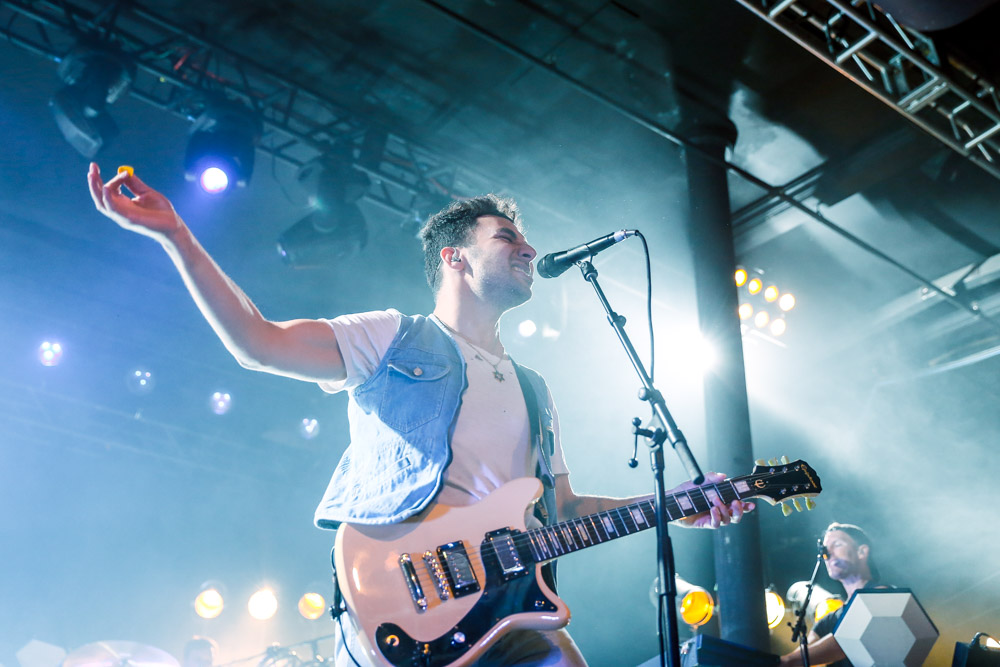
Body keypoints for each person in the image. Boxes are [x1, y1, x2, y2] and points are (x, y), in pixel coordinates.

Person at [87, 163, 755, 666]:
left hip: (514, 606)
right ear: (454, 257)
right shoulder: (394, 336)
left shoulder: (534, 386)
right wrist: (176, 233)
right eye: (508, 237)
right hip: (410, 595)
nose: (527, 249)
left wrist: (669, 500)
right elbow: (259, 343)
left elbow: (564, 508)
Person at [779, 523, 886, 667]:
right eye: (824, 549)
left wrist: (784, 662)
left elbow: (845, 642)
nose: (827, 553)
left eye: (837, 544)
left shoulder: (882, 595)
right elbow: (805, 654)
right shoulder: (828, 620)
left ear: (862, 551)